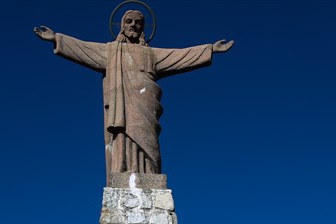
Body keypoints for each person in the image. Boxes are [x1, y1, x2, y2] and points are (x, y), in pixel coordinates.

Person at [34, 10, 233, 183]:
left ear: (143, 28)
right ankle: (123, 173)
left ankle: (149, 174)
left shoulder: (152, 54)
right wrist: (56, 39)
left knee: (150, 143)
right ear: (121, 26)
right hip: (122, 106)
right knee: (122, 135)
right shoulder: (111, 51)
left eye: (138, 23)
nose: (133, 26)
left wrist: (210, 50)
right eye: (129, 22)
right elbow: (84, 49)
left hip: (146, 103)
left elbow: (179, 56)